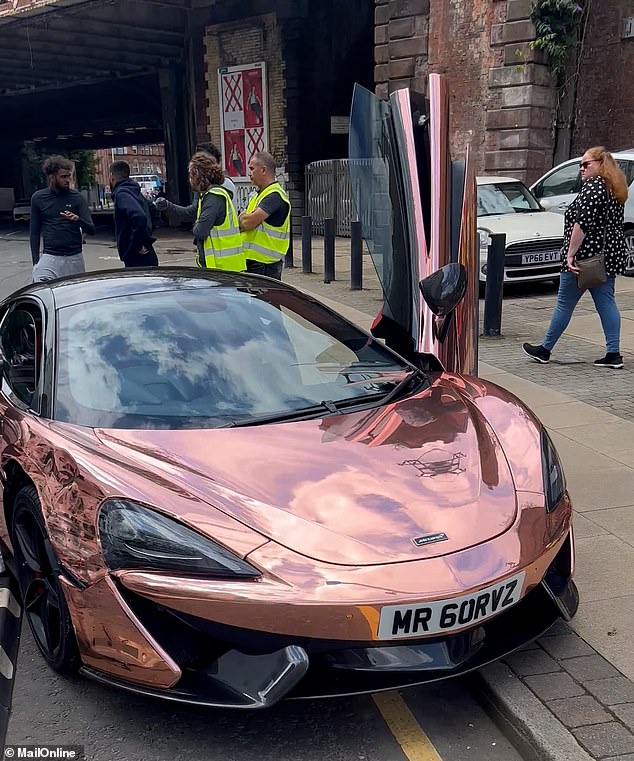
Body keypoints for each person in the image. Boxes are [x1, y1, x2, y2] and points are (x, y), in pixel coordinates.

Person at [523, 146, 628, 369]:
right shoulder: (614, 187)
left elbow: (582, 224)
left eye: (586, 163)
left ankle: (545, 349)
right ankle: (614, 353)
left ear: (600, 164)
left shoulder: (594, 187)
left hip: (583, 259)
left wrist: (570, 255)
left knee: (564, 304)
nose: (581, 168)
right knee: (606, 303)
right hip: (606, 258)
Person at [30, 156, 95, 282]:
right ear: (52, 177)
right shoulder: (38, 198)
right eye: (63, 177)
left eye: (69, 176)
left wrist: (78, 220)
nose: (68, 180)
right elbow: (34, 232)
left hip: (74, 257)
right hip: (50, 256)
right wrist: (36, 263)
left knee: (74, 296)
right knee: (40, 288)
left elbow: (91, 229)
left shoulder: (77, 198)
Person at [187, 151, 246, 271]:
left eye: (191, 174)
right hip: (225, 266)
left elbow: (200, 231)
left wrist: (196, 224)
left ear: (198, 175)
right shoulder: (214, 194)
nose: (189, 179)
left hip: (222, 268)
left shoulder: (213, 197)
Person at [154, 141, 236, 225]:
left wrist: (167, 206)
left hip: (216, 237)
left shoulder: (212, 186)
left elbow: (192, 213)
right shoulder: (227, 182)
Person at [238, 151, 291, 280]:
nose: (249, 173)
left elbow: (246, 222)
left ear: (263, 170)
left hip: (264, 265)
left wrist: (245, 218)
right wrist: (245, 218)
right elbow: (243, 218)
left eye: (251, 169)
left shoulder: (274, 196)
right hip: (256, 262)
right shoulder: (259, 194)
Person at [109, 161, 159, 268]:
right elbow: (154, 210)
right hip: (147, 254)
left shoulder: (122, 194)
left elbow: (138, 216)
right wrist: (147, 233)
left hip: (137, 257)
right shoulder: (135, 191)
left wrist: (137, 244)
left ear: (112, 176)